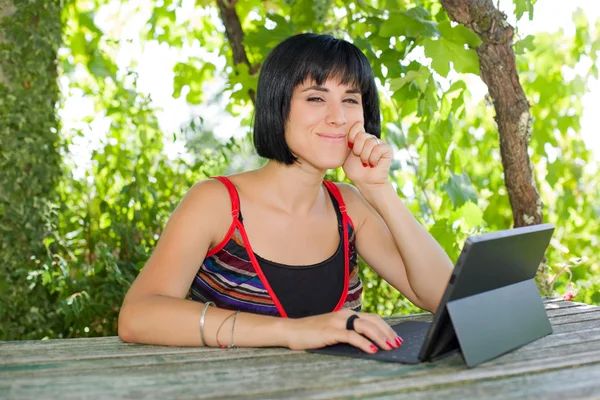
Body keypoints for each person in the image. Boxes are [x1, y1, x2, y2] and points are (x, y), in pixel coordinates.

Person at [118, 33, 453, 354]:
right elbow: (137, 316)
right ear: (278, 107)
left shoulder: (350, 205)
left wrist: (379, 191)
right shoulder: (215, 202)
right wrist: (293, 331)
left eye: (350, 100)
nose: (338, 117)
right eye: (316, 98)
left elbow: (444, 297)